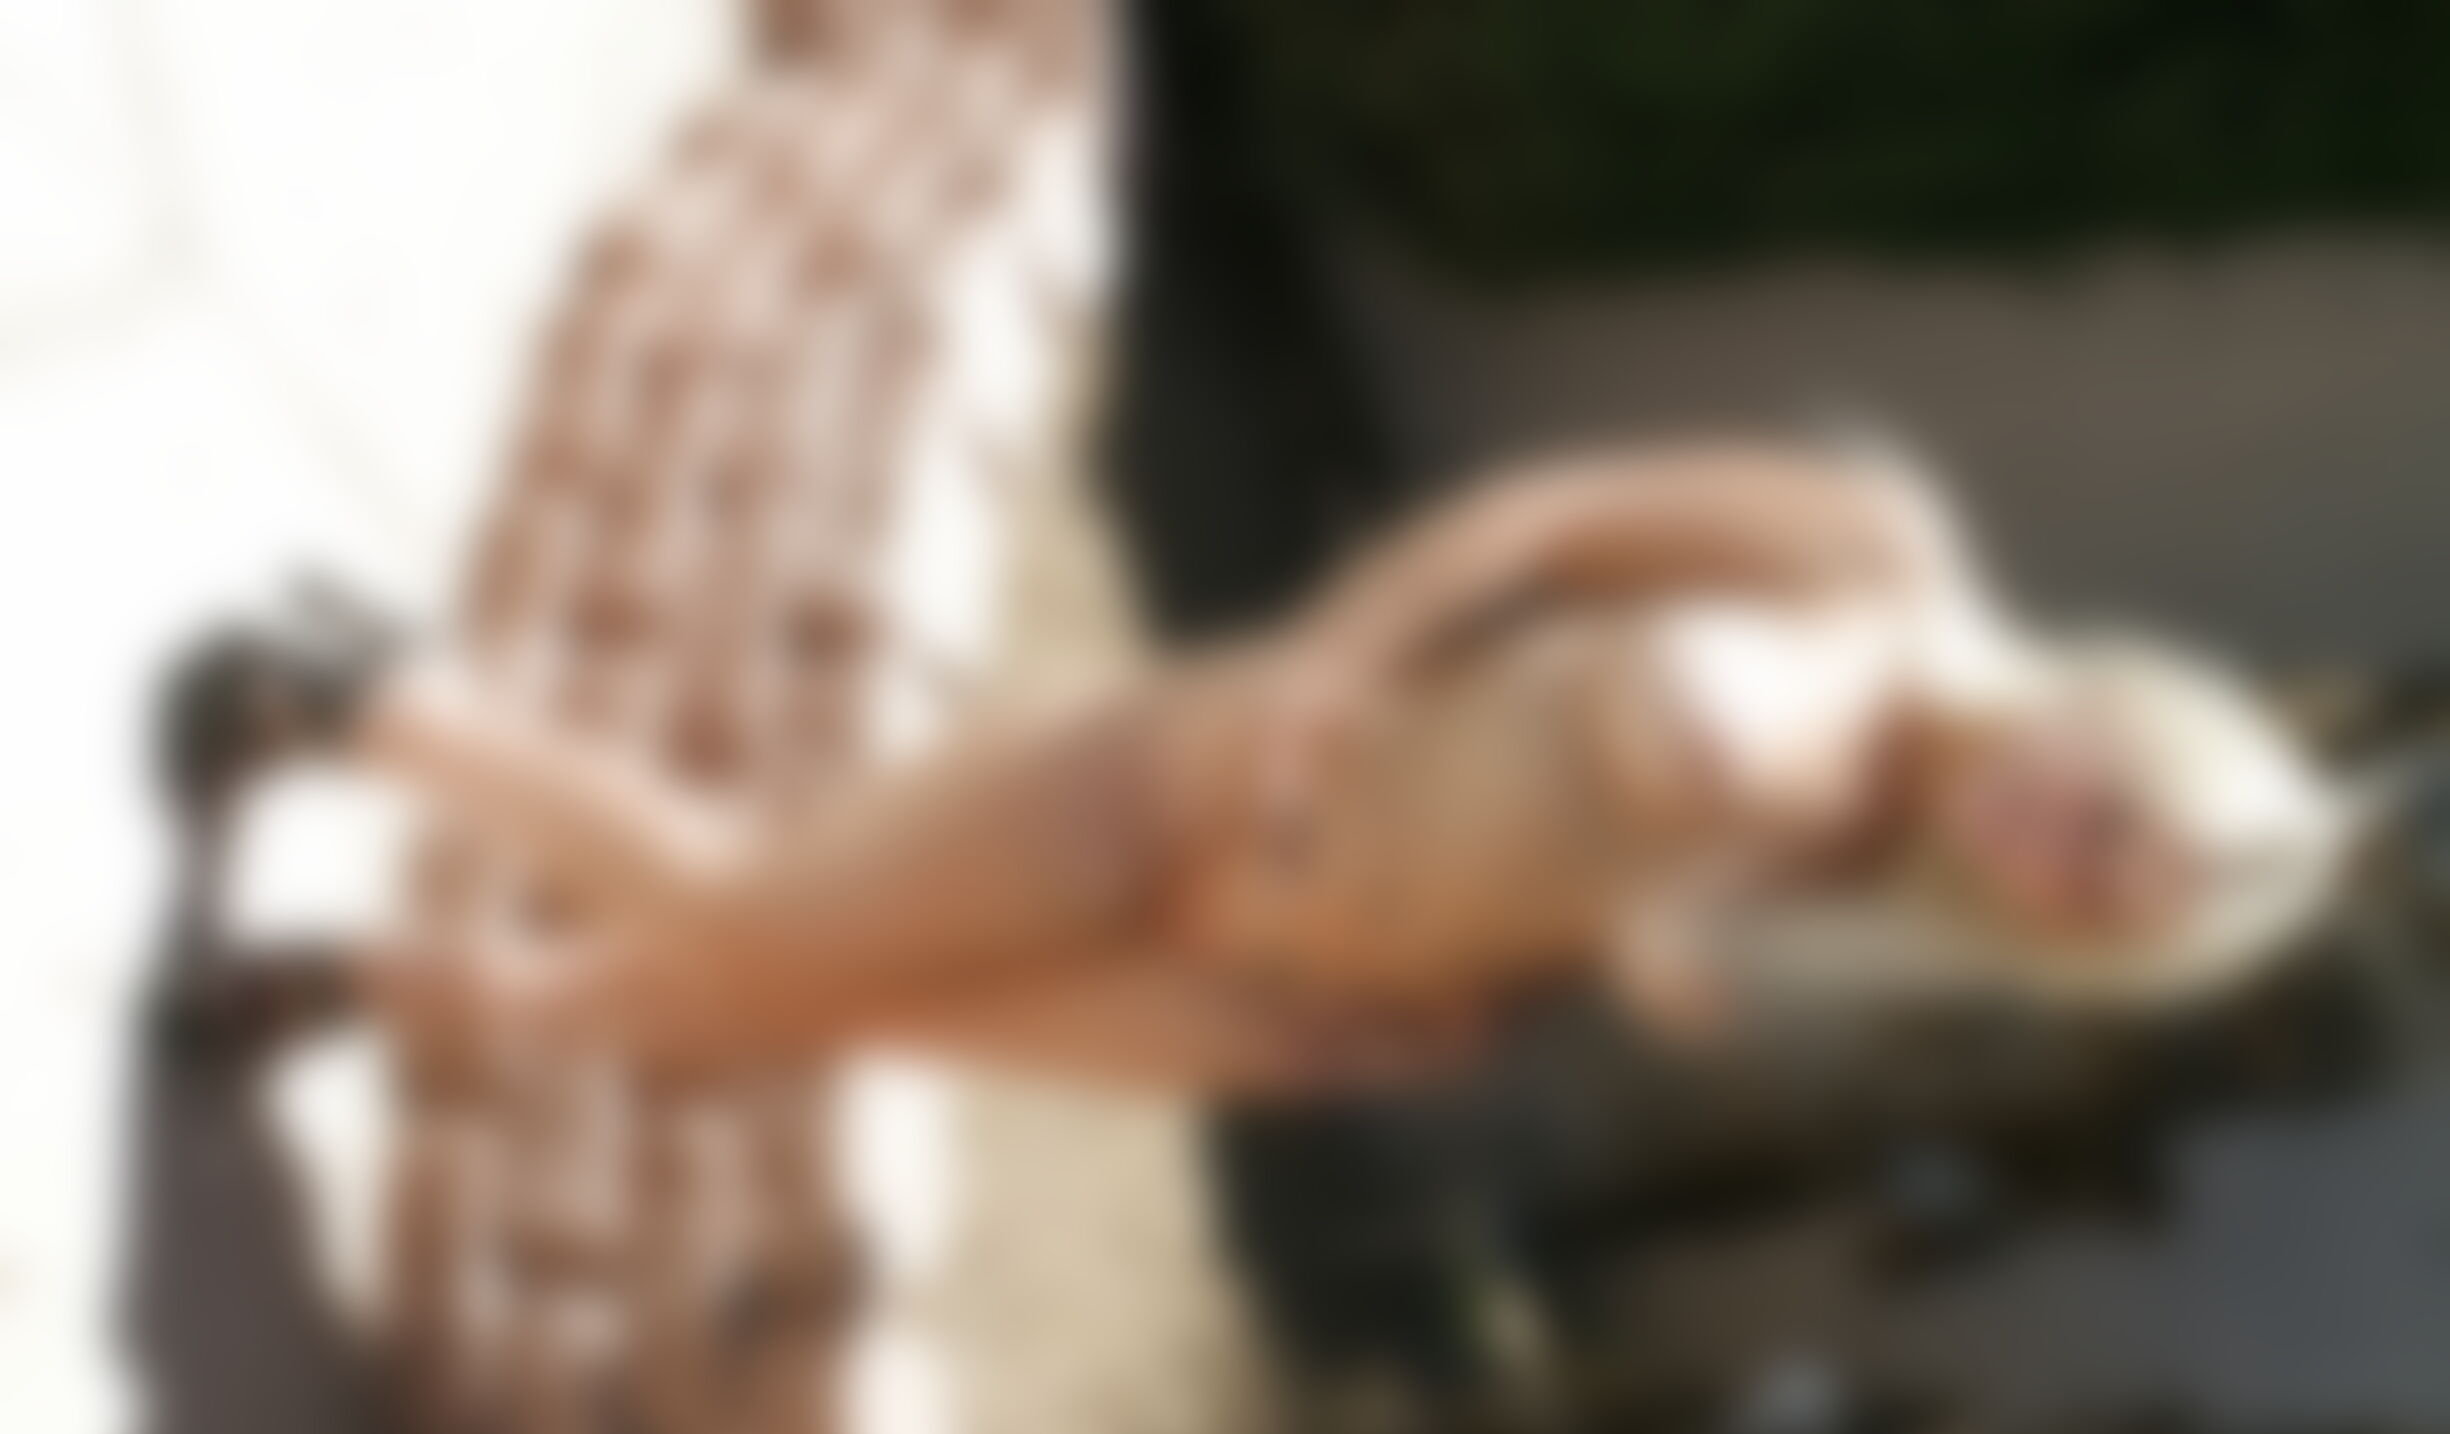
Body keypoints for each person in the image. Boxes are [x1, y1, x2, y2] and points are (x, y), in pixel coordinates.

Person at [154, 436, 2359, 1094]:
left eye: (2091, 902)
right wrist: (1324, 671)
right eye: (2111, 814)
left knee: (818, 1005)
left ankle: (381, 990)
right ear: (2123, 711)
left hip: (1283, 996)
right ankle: (357, 698)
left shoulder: (1892, 887)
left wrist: (1480, 1011)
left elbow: (1578, 931)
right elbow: (1545, 521)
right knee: (754, 917)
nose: (2055, 854)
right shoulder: (1874, 555)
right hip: (1225, 782)